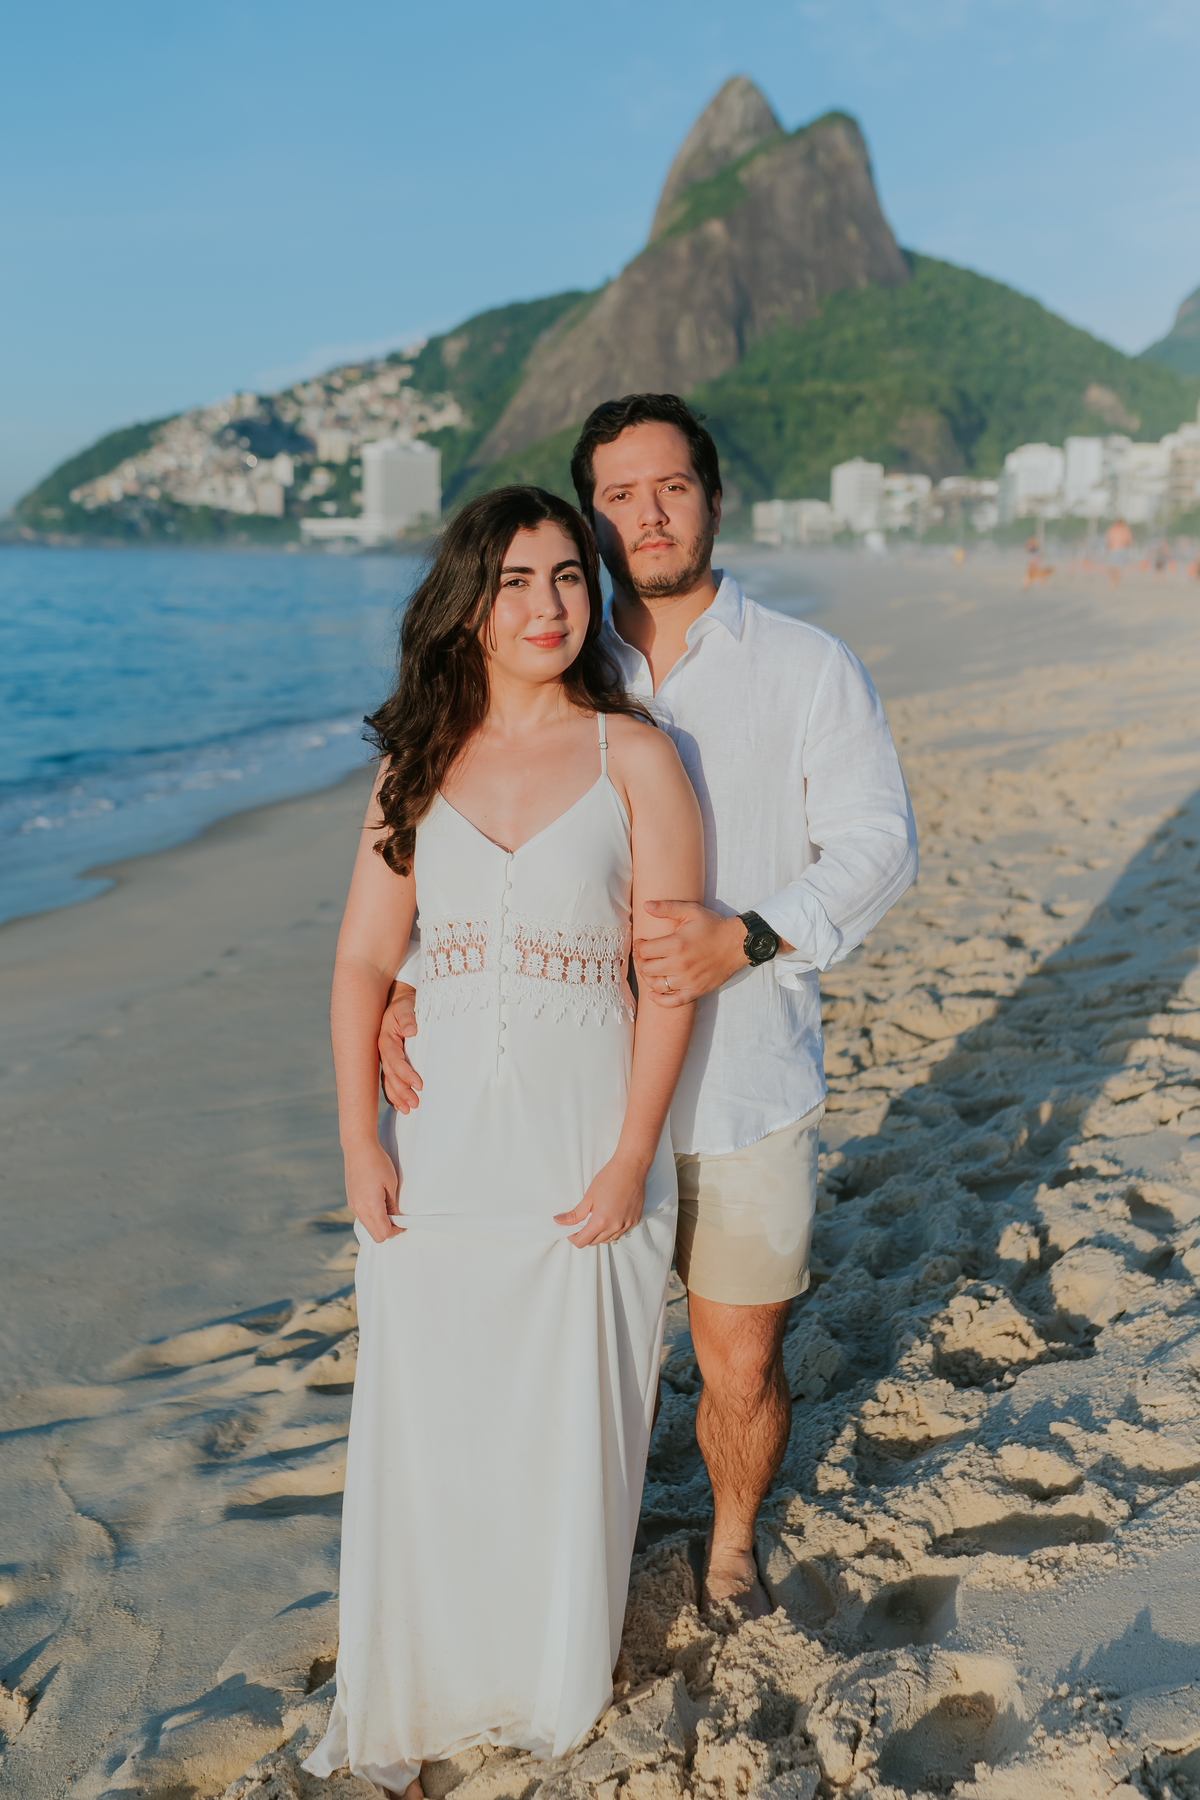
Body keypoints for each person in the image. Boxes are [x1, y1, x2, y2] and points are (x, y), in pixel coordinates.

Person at [380, 395, 918, 1619]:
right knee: (575, 1361)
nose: (647, 515)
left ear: (713, 498)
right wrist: (404, 983)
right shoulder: (549, 657)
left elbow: (880, 843)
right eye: (618, 496)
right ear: (592, 515)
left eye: (669, 488)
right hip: (567, 1093)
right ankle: (567, 1562)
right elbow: (486, 840)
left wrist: (754, 935)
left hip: (743, 1085)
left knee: (736, 1356)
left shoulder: (804, 666)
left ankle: (729, 1542)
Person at [304, 485, 704, 1795]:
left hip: (587, 1147)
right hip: (441, 1158)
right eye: (516, 581)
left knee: (564, 1425)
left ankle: (541, 1675)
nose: (546, 606)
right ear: (467, 604)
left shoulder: (635, 757)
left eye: (568, 579)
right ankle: (417, 1684)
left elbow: (668, 980)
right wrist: (359, 1144)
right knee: (432, 1422)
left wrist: (634, 1153)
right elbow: (366, 958)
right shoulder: (415, 760)